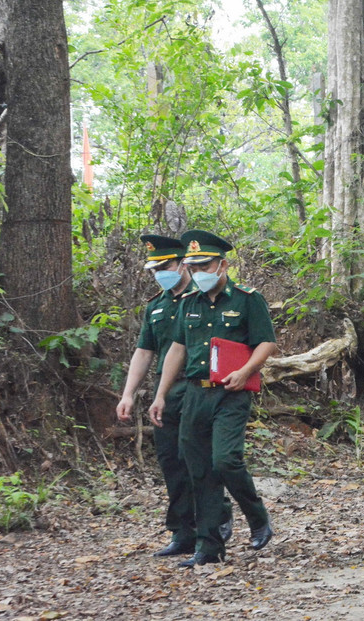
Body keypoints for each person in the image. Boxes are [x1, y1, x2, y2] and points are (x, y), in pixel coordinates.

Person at [149, 230, 277, 567]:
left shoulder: (248, 299)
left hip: (231, 394)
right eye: (193, 267)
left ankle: (256, 514)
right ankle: (208, 547)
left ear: (222, 264)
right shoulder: (189, 303)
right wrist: (161, 394)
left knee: (225, 460)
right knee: (199, 471)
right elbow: (177, 350)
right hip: (194, 393)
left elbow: (267, 342)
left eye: (204, 265)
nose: (198, 272)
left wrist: (247, 369)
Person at [116, 235, 232, 557]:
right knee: (170, 461)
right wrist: (128, 394)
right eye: (154, 269)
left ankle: (216, 519)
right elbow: (144, 352)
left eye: (164, 266)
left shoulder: (205, 297)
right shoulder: (157, 305)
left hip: (202, 387)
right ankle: (183, 531)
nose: (159, 274)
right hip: (165, 393)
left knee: (199, 458)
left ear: (183, 263)